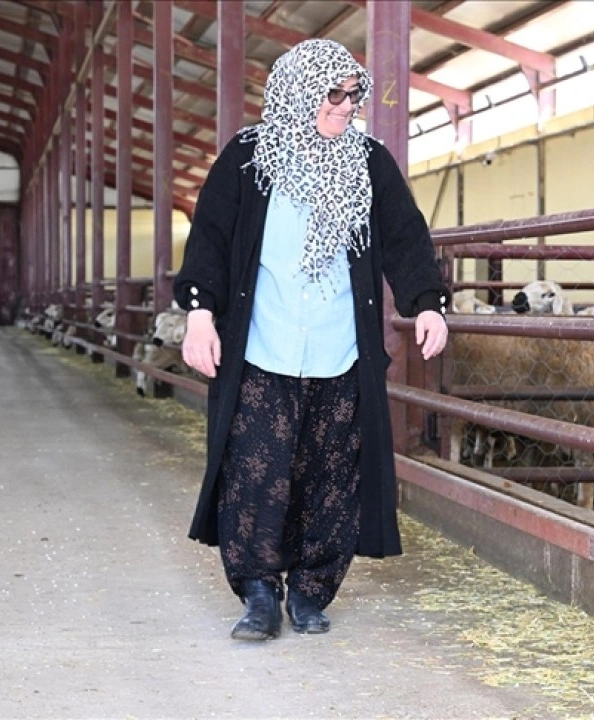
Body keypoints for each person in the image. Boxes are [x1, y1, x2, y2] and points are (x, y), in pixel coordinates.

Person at [174, 38, 450, 641]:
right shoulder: (248, 158)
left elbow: (405, 236)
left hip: (338, 349)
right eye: (333, 93)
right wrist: (199, 314)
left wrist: (428, 304)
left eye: (354, 94)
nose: (347, 105)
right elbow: (211, 239)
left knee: (330, 477)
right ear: (297, 93)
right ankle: (258, 592)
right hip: (263, 346)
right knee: (256, 471)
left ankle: (310, 590)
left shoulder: (368, 162)